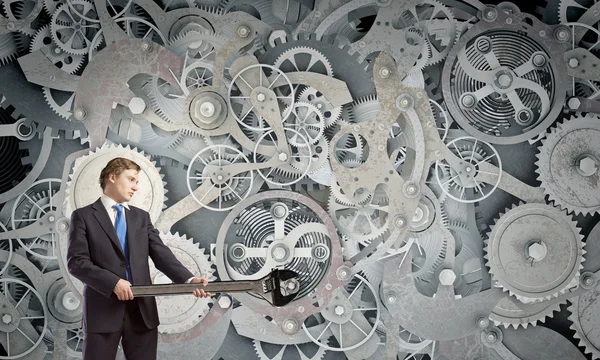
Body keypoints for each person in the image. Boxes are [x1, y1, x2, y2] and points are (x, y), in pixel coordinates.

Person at [66, 157, 211, 360]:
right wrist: (113, 282)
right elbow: (77, 262)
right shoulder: (83, 217)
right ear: (113, 177)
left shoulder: (141, 217)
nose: (135, 187)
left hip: (142, 314)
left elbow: (161, 253)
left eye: (137, 182)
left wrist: (188, 280)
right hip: (102, 311)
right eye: (132, 179)